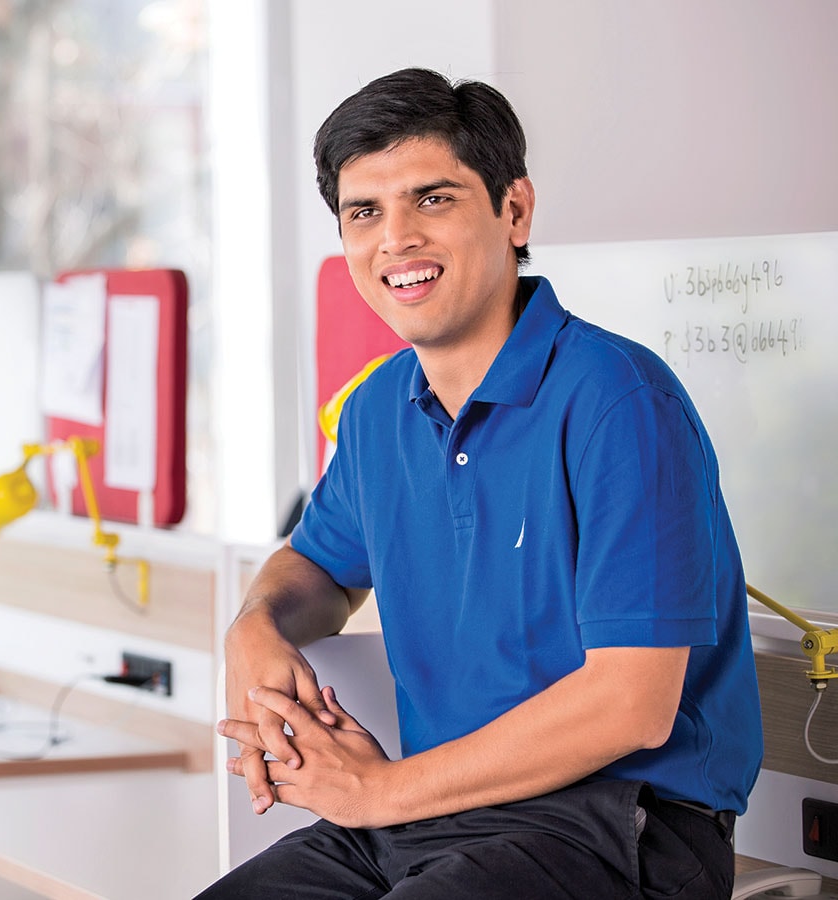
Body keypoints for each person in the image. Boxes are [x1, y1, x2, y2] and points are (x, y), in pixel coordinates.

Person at [196, 67, 762, 899]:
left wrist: (380, 791)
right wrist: (254, 625)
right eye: (364, 212)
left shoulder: (619, 401)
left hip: (620, 827)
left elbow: (632, 705)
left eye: (432, 199)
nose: (396, 239)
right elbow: (318, 567)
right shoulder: (378, 409)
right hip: (437, 810)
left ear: (514, 210)